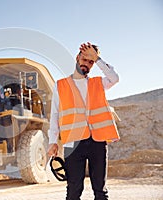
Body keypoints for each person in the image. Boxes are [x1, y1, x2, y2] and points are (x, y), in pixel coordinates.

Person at [47, 42, 120, 200]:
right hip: (72, 143)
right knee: (73, 190)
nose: (87, 63)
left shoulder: (98, 83)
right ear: (77, 58)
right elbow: (54, 115)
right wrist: (52, 141)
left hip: (97, 141)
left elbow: (114, 78)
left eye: (91, 61)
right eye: (85, 59)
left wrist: (98, 58)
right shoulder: (60, 85)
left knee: (100, 190)